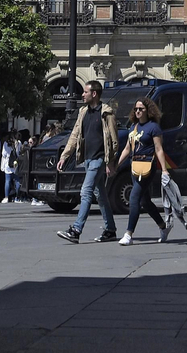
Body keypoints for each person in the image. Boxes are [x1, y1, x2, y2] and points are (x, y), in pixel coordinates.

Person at [56, 80, 119, 243]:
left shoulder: (107, 113)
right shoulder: (83, 112)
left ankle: (76, 230)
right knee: (100, 195)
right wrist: (64, 156)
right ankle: (110, 230)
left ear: (94, 94)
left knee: (86, 191)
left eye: (85, 92)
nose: (82, 94)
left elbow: (114, 140)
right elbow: (75, 136)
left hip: (99, 159)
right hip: (88, 160)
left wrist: (110, 162)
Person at [116, 96, 173, 245]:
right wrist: (116, 165)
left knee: (134, 197)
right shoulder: (133, 128)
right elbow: (127, 149)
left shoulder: (153, 127)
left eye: (141, 109)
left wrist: (165, 170)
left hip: (148, 166)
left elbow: (159, 149)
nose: (138, 111)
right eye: (136, 109)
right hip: (135, 166)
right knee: (145, 201)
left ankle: (128, 234)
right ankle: (163, 226)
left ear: (148, 110)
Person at [0, 128, 20, 203]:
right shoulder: (18, 143)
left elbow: (3, 154)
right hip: (15, 163)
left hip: (8, 163)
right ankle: (17, 197)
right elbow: (19, 153)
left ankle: (6, 197)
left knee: (7, 180)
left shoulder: (6, 143)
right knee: (17, 180)